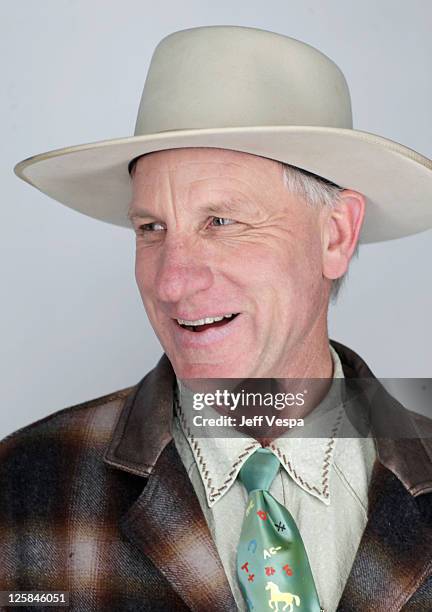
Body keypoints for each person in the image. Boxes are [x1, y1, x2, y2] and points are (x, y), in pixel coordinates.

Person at [1, 25, 432, 612]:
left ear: (335, 235)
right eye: (151, 228)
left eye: (221, 223)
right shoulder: (23, 488)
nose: (172, 281)